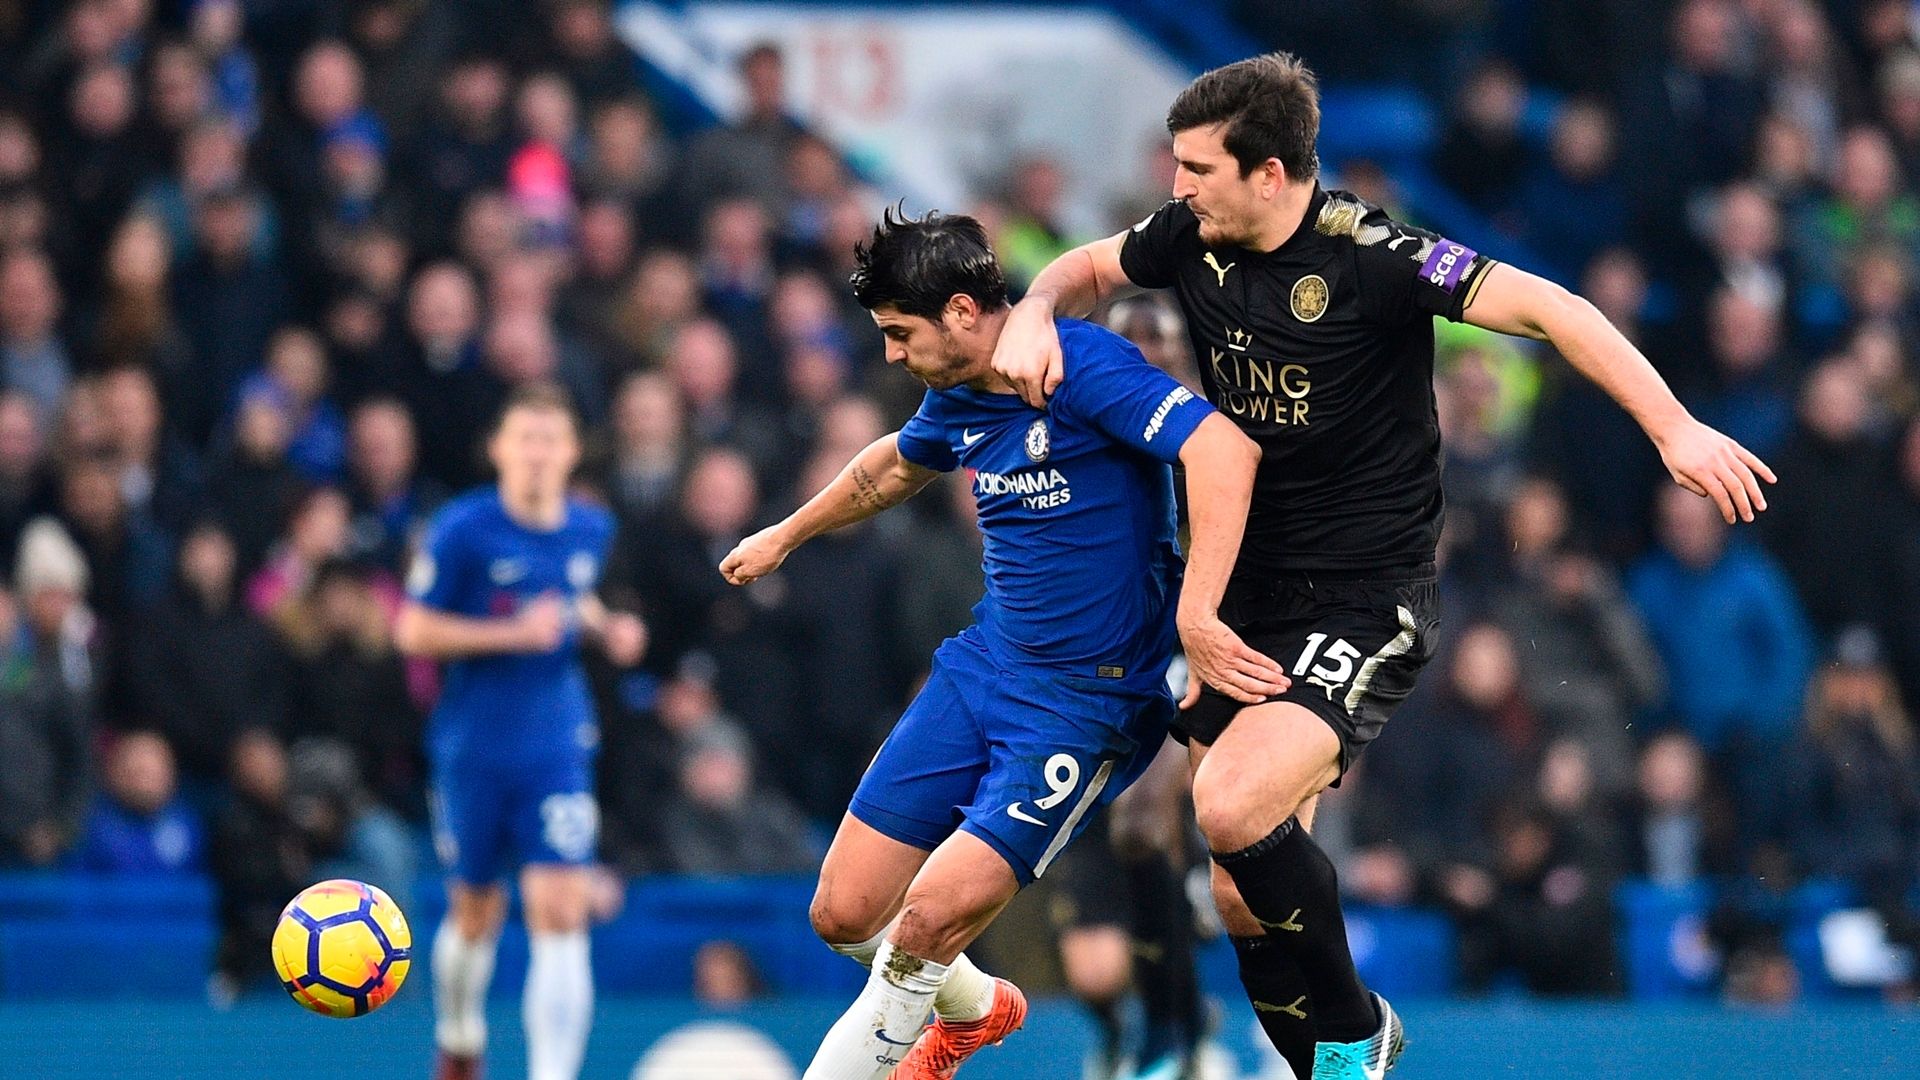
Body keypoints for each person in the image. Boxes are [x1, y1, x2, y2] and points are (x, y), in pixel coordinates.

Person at [990, 53, 1776, 1080]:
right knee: (1237, 888)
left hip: (1366, 597)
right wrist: (1035, 311)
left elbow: (1554, 309)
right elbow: (1085, 267)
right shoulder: (1191, 232)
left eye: (1195, 169)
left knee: (1224, 808)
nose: (1174, 189)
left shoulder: (1378, 256)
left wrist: (1672, 430)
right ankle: (1329, 1067)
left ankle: (1359, 1034)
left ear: (1268, 175)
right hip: (1251, 592)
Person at [718, 208, 1261, 1080]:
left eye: (901, 333)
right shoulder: (960, 390)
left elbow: (1224, 453)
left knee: (928, 918)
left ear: (964, 311)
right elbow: (896, 464)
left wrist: (1197, 620)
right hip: (984, 669)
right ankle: (973, 1009)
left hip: (1085, 706)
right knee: (842, 913)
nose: (893, 355)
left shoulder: (1083, 367)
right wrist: (786, 533)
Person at [395, 384, 647, 1080]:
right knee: (475, 908)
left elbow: (577, 597)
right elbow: (411, 628)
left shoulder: (592, 528)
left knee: (560, 909)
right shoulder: (461, 529)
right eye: (525, 438)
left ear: (572, 452)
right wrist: (509, 632)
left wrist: (606, 627)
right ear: (500, 449)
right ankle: (459, 1036)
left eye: (551, 439)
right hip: (473, 744)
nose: (538, 453)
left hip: (557, 741)